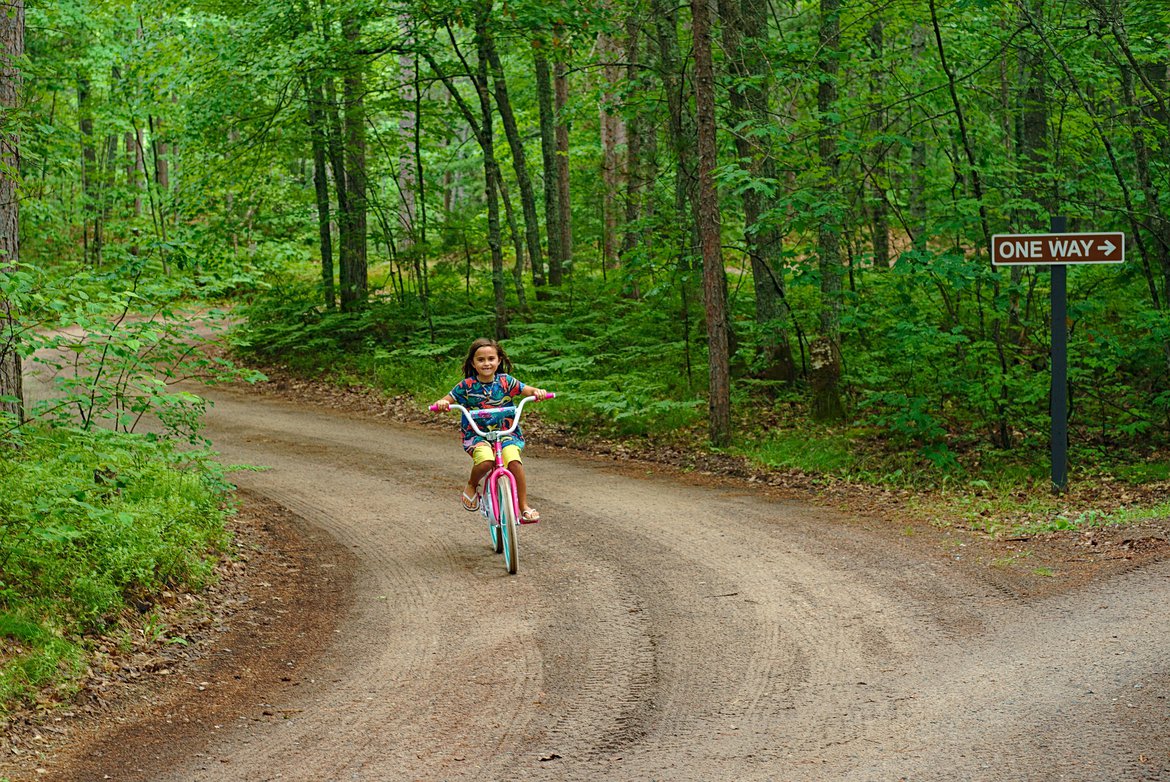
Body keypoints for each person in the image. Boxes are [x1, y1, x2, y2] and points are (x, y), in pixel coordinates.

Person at [431, 338, 548, 523]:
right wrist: (442, 403)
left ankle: (523, 506)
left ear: (499, 360)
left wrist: (538, 392)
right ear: (473, 363)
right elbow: (446, 400)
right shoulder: (466, 386)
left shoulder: (506, 382)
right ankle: (472, 484)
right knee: (485, 461)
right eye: (481, 359)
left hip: (506, 433)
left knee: (514, 463)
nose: (486, 363)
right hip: (478, 435)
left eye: (491, 358)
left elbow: (528, 390)